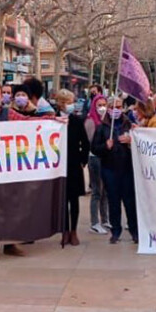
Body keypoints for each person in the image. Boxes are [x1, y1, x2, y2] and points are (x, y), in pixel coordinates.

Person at [0, 83, 66, 260]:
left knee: (8, 207)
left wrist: (52, 120)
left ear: (3, 97)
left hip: (7, 170)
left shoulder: (8, 113)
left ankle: (9, 243)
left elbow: (28, 122)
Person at [91, 97, 138, 244]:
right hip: (109, 169)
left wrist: (131, 141)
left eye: (118, 106)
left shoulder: (129, 125)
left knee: (130, 202)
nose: (115, 110)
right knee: (113, 202)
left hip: (127, 169)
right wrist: (106, 146)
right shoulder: (102, 127)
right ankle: (115, 231)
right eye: (112, 107)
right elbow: (94, 148)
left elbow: (141, 143)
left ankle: (134, 231)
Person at [56, 89, 89, 246]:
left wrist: (83, 161)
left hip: (74, 165)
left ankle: (74, 231)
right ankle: (65, 231)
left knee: (74, 201)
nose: (71, 105)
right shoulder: (53, 120)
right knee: (62, 202)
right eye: (68, 102)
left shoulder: (76, 121)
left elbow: (85, 143)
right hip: (58, 166)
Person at [85, 94, 110, 234]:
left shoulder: (107, 121)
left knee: (105, 191)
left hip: (106, 158)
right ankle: (94, 222)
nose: (102, 108)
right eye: (99, 105)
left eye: (104, 105)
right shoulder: (90, 121)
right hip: (94, 158)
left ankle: (105, 219)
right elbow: (90, 142)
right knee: (97, 191)